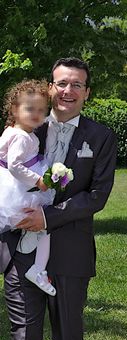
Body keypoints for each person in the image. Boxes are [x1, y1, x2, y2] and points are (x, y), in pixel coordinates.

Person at [0, 57, 117, 340]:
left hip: (70, 254)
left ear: (87, 92)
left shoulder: (101, 137)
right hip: (20, 252)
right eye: (61, 83)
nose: (68, 91)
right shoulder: (27, 127)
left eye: (77, 85)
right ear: (50, 88)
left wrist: (49, 216)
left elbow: (97, 196)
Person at [0, 79, 56, 296]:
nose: (36, 114)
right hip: (18, 189)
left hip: (14, 187)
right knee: (44, 225)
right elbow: (14, 165)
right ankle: (39, 270)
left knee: (37, 225)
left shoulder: (14, 131)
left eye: (42, 110)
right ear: (15, 109)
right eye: (30, 108)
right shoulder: (22, 137)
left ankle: (35, 262)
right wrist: (38, 181)